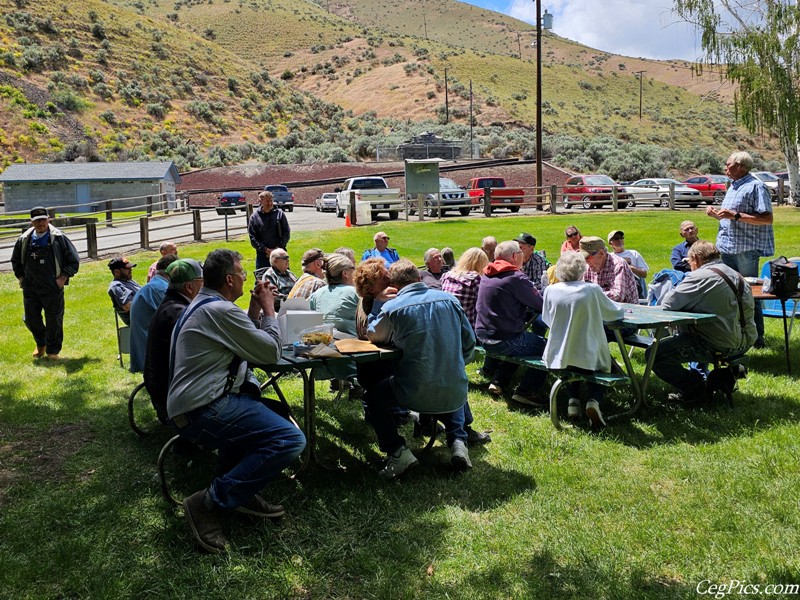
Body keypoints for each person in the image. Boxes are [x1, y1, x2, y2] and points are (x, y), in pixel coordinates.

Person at [167, 249, 306, 554]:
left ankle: (242, 492)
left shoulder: (205, 305)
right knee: (288, 438)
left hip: (197, 404)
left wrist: (254, 310)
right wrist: (270, 311)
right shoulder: (218, 311)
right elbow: (270, 352)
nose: (247, 277)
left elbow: (238, 338)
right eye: (243, 273)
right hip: (201, 410)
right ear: (229, 279)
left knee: (271, 414)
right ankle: (207, 502)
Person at [366, 259, 476, 477]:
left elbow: (374, 334)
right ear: (419, 278)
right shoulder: (451, 300)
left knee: (373, 398)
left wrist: (378, 303)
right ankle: (458, 442)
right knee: (447, 381)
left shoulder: (392, 307)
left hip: (412, 391)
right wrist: (455, 363)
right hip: (455, 389)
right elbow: (469, 341)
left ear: (394, 285)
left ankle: (398, 452)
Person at [646, 241, 756, 403]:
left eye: (689, 262)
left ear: (696, 258)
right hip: (746, 341)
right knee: (692, 334)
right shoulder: (736, 274)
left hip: (717, 342)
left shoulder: (700, 276)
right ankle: (720, 378)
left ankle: (697, 388)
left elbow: (668, 304)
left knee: (655, 354)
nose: (689, 266)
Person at [541, 252, 624, 427]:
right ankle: (594, 400)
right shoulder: (591, 289)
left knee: (572, 361)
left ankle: (573, 401)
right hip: (589, 351)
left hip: (559, 351)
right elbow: (613, 313)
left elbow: (547, 319)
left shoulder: (550, 290)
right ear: (582, 270)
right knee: (604, 365)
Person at [706, 151, 773, 348]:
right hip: (726, 248)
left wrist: (734, 215)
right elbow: (730, 217)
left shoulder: (756, 186)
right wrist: (717, 215)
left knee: (750, 294)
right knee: (728, 293)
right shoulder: (733, 187)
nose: (725, 168)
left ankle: (756, 338)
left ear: (740, 166)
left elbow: (766, 218)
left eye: (728, 164)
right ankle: (735, 335)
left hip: (745, 250)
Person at [474, 240, 548, 407]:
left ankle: (500, 380)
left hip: (482, 336)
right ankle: (526, 391)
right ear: (515, 256)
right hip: (502, 339)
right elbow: (540, 304)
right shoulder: (516, 277)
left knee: (523, 341)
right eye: (520, 253)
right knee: (549, 347)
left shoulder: (487, 273)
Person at [11, 206, 80, 360]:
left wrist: (62, 278)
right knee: (31, 318)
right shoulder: (24, 239)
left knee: (54, 319)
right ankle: (41, 343)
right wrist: (21, 278)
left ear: (48, 219)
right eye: (37, 221)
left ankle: (53, 351)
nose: (40, 223)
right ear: (32, 222)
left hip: (52, 286)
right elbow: (15, 260)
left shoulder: (58, 237)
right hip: (30, 286)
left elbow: (73, 260)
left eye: (43, 219)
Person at [143, 258, 204, 424]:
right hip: (174, 401)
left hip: (161, 391)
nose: (205, 287)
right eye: (202, 282)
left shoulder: (170, 305)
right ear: (189, 287)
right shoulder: (181, 313)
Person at [128, 253, 177, 373]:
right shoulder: (159, 289)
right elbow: (176, 320)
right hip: (152, 357)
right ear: (172, 272)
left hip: (147, 349)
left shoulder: (155, 285)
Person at [309, 254, 358, 336]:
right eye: (353, 269)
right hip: (352, 343)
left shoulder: (316, 294)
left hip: (323, 343)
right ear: (345, 273)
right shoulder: (355, 292)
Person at [580, 236, 638, 305]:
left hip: (627, 312)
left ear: (601, 253)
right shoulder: (588, 267)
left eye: (588, 257)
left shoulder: (618, 265)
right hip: (601, 310)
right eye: (584, 257)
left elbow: (618, 296)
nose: (586, 261)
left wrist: (592, 294)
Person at [441, 247, 489, 329]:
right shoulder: (475, 279)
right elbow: (485, 305)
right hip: (466, 328)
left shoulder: (446, 276)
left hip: (447, 324)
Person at [248, 190, 291, 271]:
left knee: (284, 280)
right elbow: (253, 238)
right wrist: (265, 250)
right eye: (267, 201)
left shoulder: (280, 214)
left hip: (280, 254)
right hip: (262, 256)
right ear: (260, 201)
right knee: (262, 281)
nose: (270, 203)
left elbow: (286, 233)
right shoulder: (254, 217)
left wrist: (277, 249)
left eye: (271, 201)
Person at [607, 230, 649, 299]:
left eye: (621, 238)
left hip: (633, 284)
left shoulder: (633, 253)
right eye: (616, 239)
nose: (620, 240)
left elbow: (644, 274)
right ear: (610, 243)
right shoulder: (609, 257)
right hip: (615, 283)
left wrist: (631, 268)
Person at [108, 257, 141, 325]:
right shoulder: (116, 286)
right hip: (139, 321)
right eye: (127, 269)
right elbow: (128, 306)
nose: (131, 270)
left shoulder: (129, 281)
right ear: (117, 272)